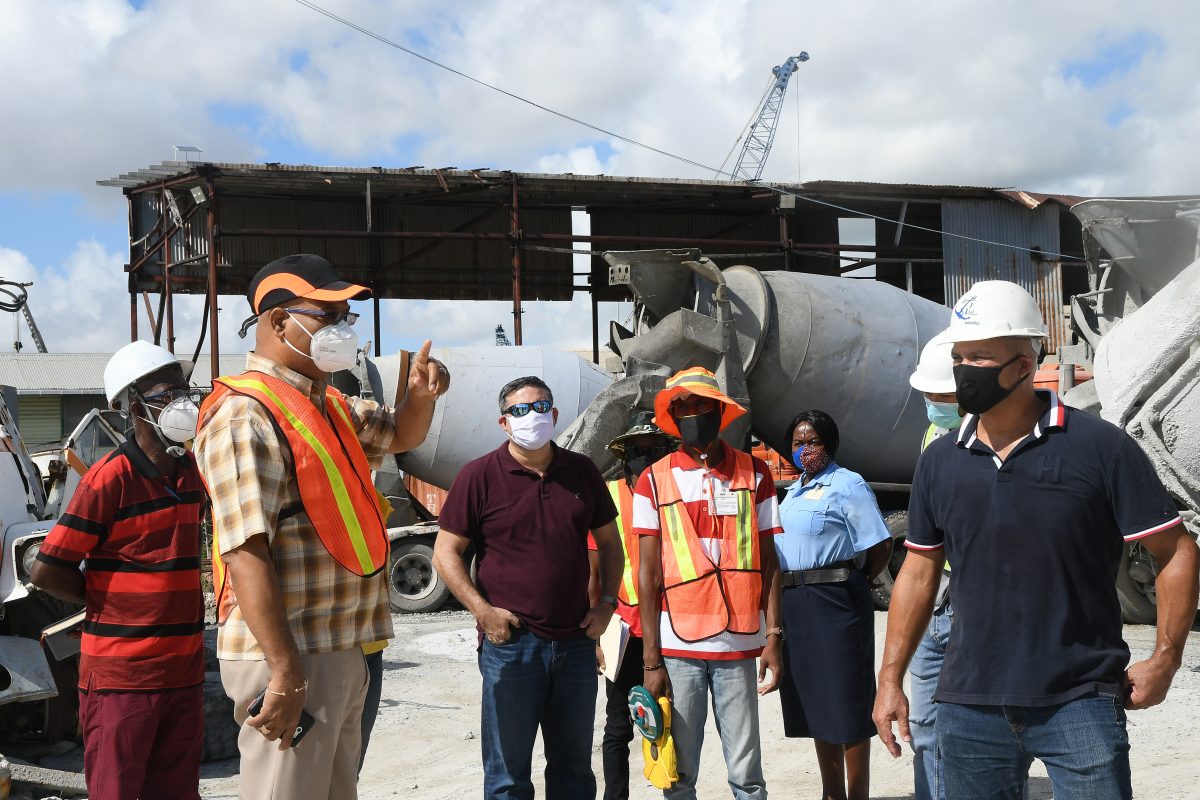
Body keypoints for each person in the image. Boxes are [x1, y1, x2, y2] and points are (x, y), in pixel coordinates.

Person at [873, 281, 1199, 800]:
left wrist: (1166, 656)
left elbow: (1176, 550)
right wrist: (890, 678)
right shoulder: (939, 461)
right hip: (967, 703)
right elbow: (917, 570)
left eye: (980, 357)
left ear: (1024, 365)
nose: (963, 370)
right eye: (959, 356)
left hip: (1081, 699)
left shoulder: (1100, 447)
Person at [194, 253, 450, 800]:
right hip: (292, 655)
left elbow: (401, 434)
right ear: (279, 322)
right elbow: (245, 552)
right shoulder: (247, 414)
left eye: (345, 316)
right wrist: (286, 673)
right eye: (326, 314)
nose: (340, 329)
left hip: (341, 647)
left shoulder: (328, 405)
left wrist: (422, 396)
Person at [432, 375, 623, 800]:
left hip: (574, 645)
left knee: (574, 772)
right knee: (507, 777)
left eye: (540, 408)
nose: (531, 417)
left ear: (555, 415)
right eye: (520, 410)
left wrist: (607, 604)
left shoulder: (581, 472)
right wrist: (484, 612)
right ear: (504, 422)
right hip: (511, 646)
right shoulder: (478, 476)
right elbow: (445, 554)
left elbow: (611, 546)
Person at [31, 341, 205, 800]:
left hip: (184, 673)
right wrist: (111, 601)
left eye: (184, 392)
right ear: (134, 407)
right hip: (122, 680)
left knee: (178, 792)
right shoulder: (109, 478)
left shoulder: (192, 473)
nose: (181, 403)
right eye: (167, 394)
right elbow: (48, 570)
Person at [635, 366, 784, 800]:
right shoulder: (653, 479)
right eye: (680, 407)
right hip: (678, 644)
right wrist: (651, 661)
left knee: (747, 775)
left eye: (700, 405)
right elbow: (648, 574)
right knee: (679, 775)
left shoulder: (756, 473)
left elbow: (771, 562)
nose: (690, 414)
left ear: (720, 411)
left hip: (738, 642)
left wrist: (774, 635)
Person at [775, 409, 891, 800]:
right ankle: (832, 794)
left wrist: (862, 579)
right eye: (797, 442)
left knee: (848, 703)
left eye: (813, 441)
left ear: (830, 444)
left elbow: (880, 545)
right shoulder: (791, 492)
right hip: (795, 603)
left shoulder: (847, 484)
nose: (804, 449)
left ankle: (856, 795)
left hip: (836, 601)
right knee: (816, 704)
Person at [587, 414, 678, 800]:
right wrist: (595, 636)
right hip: (622, 630)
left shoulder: (676, 493)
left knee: (672, 718)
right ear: (625, 456)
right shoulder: (608, 497)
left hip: (673, 628)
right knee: (618, 725)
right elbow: (593, 572)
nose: (647, 457)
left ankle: (675, 788)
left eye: (655, 450)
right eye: (639, 451)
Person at [905, 339, 961, 800]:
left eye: (940, 398)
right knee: (924, 729)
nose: (932, 406)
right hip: (934, 604)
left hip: (971, 604)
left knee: (987, 737)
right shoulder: (934, 437)